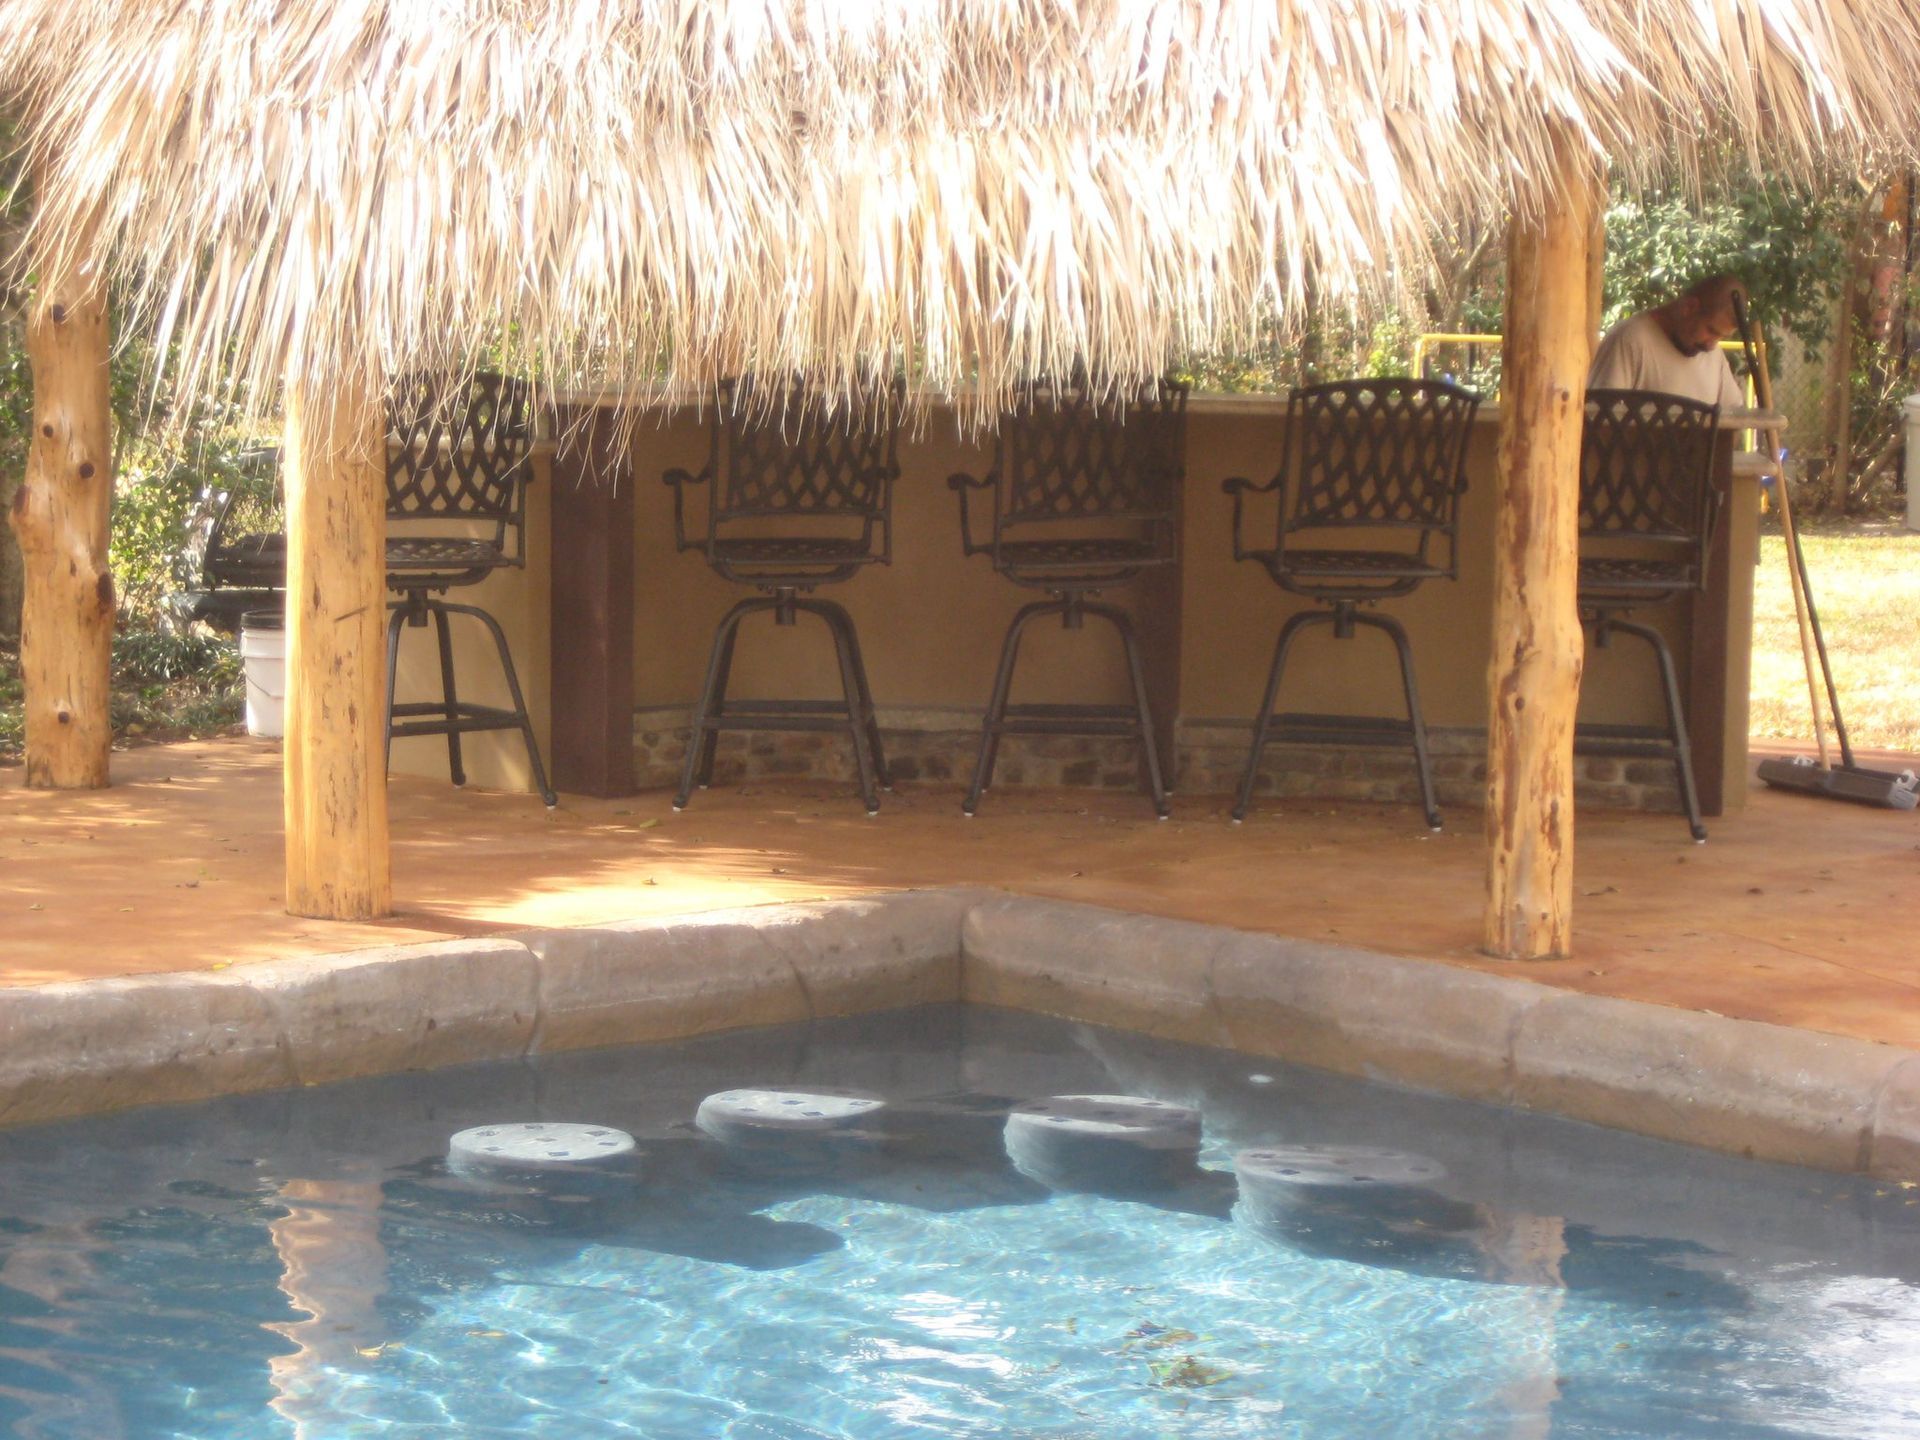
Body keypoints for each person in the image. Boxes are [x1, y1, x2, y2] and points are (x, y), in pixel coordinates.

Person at [1588, 274, 1748, 411]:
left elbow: (1732, 418)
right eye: (1711, 331)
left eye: (1721, 336)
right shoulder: (1630, 340)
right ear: (1690, 307)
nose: (1712, 345)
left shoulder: (1714, 354)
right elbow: (1601, 420)